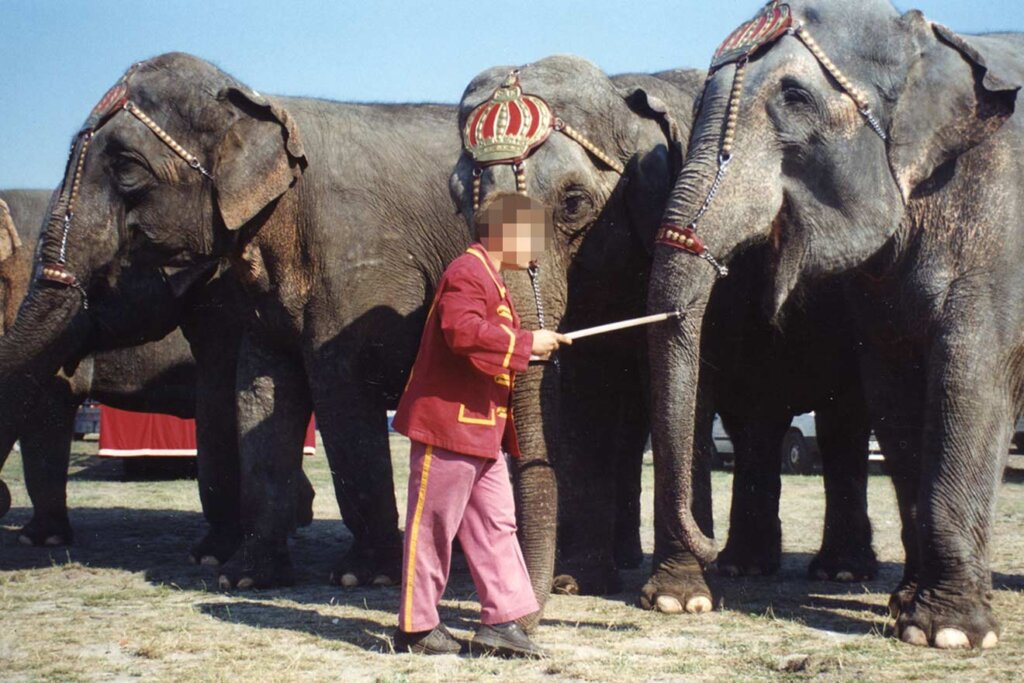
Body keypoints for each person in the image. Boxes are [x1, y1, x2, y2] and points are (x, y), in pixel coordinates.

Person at [391, 192, 570, 658]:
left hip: (482, 431)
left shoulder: (492, 277)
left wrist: (527, 345)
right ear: (504, 233)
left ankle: (502, 622)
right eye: (533, 235)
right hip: (447, 427)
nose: (539, 245)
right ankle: (416, 627)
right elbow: (461, 331)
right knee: (432, 526)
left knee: (497, 524)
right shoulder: (467, 272)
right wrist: (528, 343)